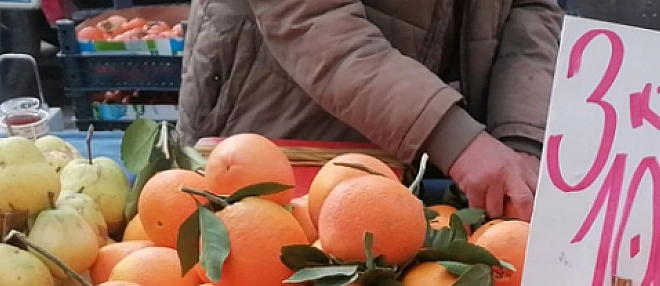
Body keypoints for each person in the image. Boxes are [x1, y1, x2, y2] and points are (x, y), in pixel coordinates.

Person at [179, 0, 562, 220]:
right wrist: (456, 139)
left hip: (421, 155)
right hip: (275, 131)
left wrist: (520, 138)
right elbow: (310, 17)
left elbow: (530, 10)